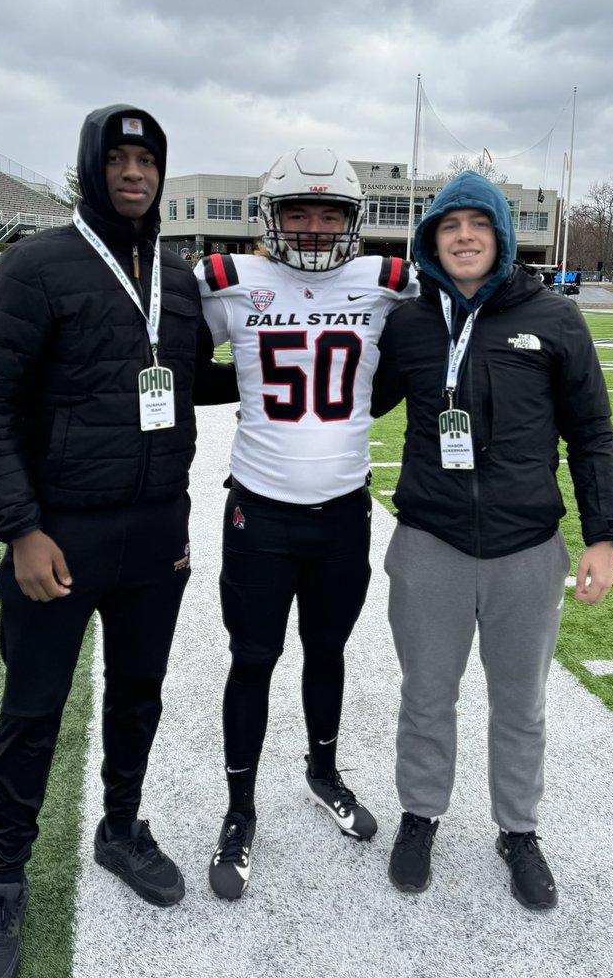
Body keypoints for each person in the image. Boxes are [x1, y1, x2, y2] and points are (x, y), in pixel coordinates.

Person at [0, 105, 237, 978]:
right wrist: (22, 529)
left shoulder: (180, 276)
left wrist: (305, 359)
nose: (133, 173)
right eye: (117, 158)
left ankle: (121, 829)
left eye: (146, 160)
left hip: (156, 530)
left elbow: (187, 383)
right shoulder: (38, 265)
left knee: (139, 695)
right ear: (92, 167)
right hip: (62, 534)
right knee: (35, 708)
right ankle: (6, 876)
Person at [371, 171, 613, 910]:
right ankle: (421, 815)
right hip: (431, 540)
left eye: (478, 224)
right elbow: (355, 396)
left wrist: (604, 535)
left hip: (525, 546)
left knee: (521, 702)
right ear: (431, 240)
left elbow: (592, 432)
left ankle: (518, 829)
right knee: (426, 695)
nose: (464, 237)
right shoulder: (411, 323)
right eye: (449, 226)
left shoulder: (554, 319)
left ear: (502, 237)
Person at [195, 146, 418, 900]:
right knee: (252, 658)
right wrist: (246, 379)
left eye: (331, 213)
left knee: (328, 651)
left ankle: (323, 773)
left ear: (354, 221)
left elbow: (403, 373)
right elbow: (173, 361)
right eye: (300, 212)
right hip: (259, 513)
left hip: (343, 517)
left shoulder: (387, 284)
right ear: (273, 218)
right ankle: (238, 809)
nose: (316, 227)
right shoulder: (227, 282)